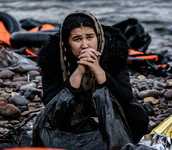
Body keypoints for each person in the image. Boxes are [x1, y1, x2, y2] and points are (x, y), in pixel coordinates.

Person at [32, 10, 149, 149]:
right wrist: (79, 71)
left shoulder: (113, 50)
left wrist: (98, 71)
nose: (85, 45)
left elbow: (125, 96)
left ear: (98, 37)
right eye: (77, 39)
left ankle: (121, 144)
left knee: (137, 114)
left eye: (89, 37)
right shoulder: (53, 56)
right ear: (67, 42)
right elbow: (51, 104)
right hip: (71, 118)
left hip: (108, 114)